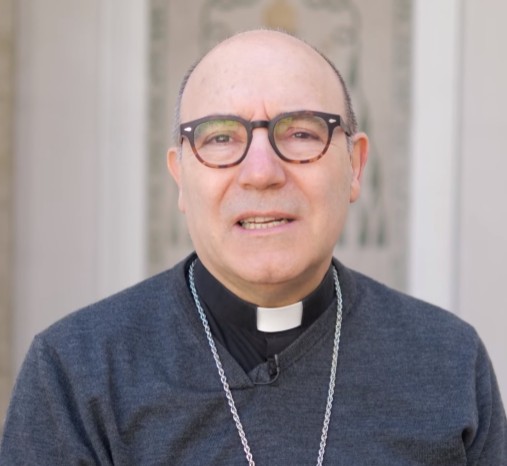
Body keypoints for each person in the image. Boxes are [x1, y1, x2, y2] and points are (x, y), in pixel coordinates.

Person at [1, 29, 506, 465]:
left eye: (302, 132)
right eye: (221, 138)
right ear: (180, 177)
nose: (261, 172)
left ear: (355, 165)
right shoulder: (75, 370)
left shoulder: (449, 361)